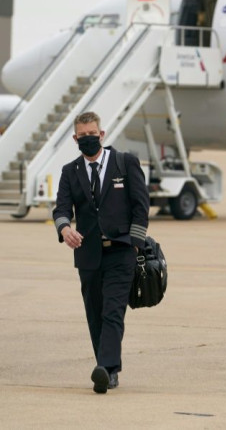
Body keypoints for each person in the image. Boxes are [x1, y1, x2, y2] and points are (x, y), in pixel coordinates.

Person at [52, 112, 149, 394]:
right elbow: (61, 208)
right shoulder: (70, 171)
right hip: (88, 254)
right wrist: (64, 229)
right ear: (75, 139)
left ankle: (106, 368)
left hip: (121, 252)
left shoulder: (125, 162)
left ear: (102, 134)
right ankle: (107, 368)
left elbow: (141, 207)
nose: (88, 139)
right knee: (94, 314)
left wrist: (135, 244)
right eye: (83, 136)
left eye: (93, 134)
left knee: (112, 312)